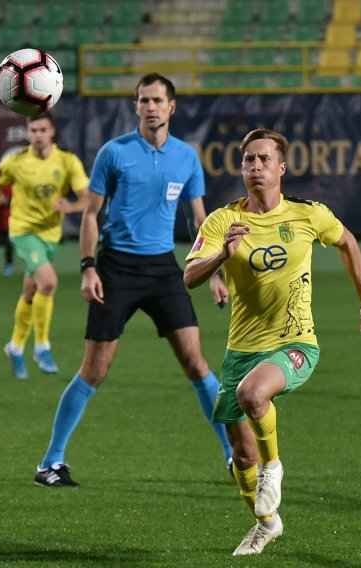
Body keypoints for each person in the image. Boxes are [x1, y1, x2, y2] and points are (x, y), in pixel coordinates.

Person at [184, 128, 361, 555]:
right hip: (241, 349)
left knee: (254, 395)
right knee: (240, 455)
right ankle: (266, 522)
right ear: (241, 168)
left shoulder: (308, 215)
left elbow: (347, 241)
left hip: (296, 343)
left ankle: (273, 466)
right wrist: (222, 255)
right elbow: (189, 276)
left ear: (282, 168)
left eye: (264, 159)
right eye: (248, 160)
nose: (255, 167)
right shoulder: (222, 220)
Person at [33, 73, 232, 487]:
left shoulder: (185, 157)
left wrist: (215, 270)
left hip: (163, 269)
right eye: (144, 100)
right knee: (94, 370)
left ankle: (233, 453)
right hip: (116, 269)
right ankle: (50, 462)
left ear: (172, 106)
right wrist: (88, 267)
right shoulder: (114, 152)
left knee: (197, 364)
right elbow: (90, 214)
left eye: (158, 100)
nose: (151, 107)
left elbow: (199, 219)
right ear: (136, 106)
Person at [0, 111, 90, 379]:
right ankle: (42, 346)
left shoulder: (67, 161)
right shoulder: (15, 161)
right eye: (33, 131)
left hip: (50, 235)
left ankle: (16, 346)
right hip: (23, 231)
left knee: (31, 294)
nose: (38, 136)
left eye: (43, 130)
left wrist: (72, 205)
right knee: (49, 283)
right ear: (27, 132)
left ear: (52, 131)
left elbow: (87, 198)